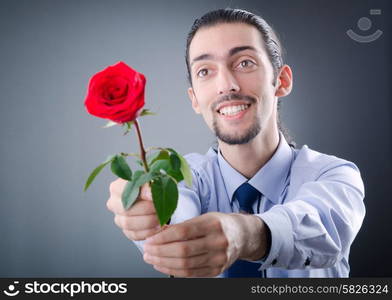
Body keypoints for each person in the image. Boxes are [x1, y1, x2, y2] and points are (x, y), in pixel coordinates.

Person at [106, 8, 365, 278]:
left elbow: (324, 227)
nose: (226, 85)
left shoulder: (334, 175)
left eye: (244, 63)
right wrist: (150, 210)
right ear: (194, 99)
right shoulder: (181, 177)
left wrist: (243, 235)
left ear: (282, 81)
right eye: (205, 70)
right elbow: (178, 209)